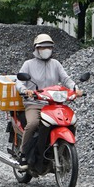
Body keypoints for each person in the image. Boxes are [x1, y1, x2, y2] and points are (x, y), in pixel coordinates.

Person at [15, 34, 80, 166]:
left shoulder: (55, 64)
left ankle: (64, 151)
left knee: (70, 122)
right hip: (34, 103)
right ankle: (23, 154)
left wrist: (75, 88)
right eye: (43, 47)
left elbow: (66, 79)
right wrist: (24, 90)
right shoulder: (28, 64)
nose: (46, 49)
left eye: (49, 47)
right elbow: (19, 81)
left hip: (53, 105)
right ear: (36, 48)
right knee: (33, 124)